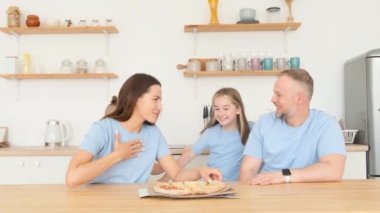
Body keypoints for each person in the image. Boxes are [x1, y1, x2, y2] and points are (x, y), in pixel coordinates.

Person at [66, 73, 222, 188]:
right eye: (155, 99)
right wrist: (118, 155)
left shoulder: (154, 134)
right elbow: (72, 178)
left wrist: (201, 171)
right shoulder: (103, 129)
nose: (160, 107)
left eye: (160, 100)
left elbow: (176, 174)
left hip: (137, 203)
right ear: (135, 99)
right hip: (100, 204)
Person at [240, 69, 346, 185]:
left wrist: (284, 175)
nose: (272, 99)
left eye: (278, 94)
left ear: (299, 98)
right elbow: (248, 169)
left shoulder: (326, 124)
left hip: (311, 198)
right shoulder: (263, 123)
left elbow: (334, 170)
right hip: (268, 198)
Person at [159, 87, 251, 181]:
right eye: (216, 109)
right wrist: (163, 180)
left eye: (226, 108)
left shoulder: (252, 129)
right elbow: (188, 156)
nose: (220, 113)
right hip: (212, 185)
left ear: (238, 109)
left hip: (238, 187)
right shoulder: (210, 133)